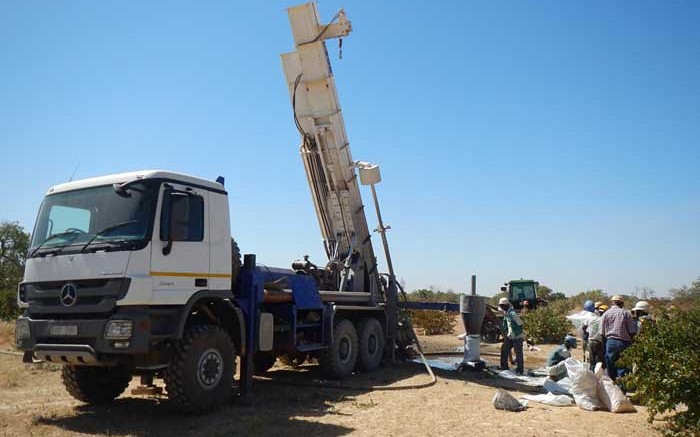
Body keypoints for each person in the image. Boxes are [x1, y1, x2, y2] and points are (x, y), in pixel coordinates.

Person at [600, 295, 637, 381]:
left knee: (611, 366)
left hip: (610, 343)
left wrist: (604, 346)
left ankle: (612, 387)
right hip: (624, 343)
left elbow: (602, 333)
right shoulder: (625, 313)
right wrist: (633, 344)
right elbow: (632, 331)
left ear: (612, 303)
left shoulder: (605, 314)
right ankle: (622, 389)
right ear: (621, 303)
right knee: (623, 367)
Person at [498, 297, 525, 375]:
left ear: (507, 305)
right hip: (510, 337)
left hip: (517, 337)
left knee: (518, 353)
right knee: (504, 350)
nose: (501, 307)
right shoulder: (507, 313)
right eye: (501, 306)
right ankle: (504, 367)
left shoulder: (512, 313)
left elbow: (520, 324)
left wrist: (515, 333)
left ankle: (520, 370)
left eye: (502, 305)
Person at [584, 304, 608, 371]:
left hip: (591, 341)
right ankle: (598, 375)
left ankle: (592, 373)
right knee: (599, 360)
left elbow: (584, 327)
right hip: (599, 342)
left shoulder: (590, 318)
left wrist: (587, 335)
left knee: (592, 360)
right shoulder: (603, 320)